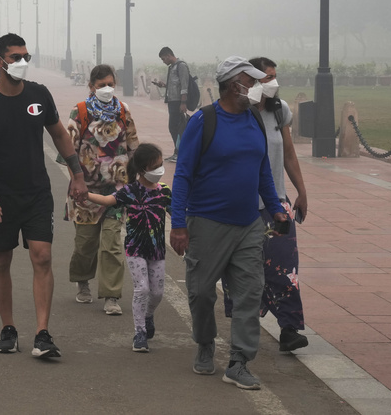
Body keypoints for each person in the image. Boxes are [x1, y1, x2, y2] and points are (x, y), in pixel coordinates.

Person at [0, 33, 88, 359]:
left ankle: (43, 334)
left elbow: (59, 133)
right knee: (1, 260)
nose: (21, 62)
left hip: (35, 192)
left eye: (25, 56)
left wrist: (77, 174)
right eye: (15, 57)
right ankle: (8, 329)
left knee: (42, 257)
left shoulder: (38, 95)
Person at [169, 55, 290, 390]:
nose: (255, 87)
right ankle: (205, 342)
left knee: (250, 292)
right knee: (202, 292)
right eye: (249, 81)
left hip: (249, 224)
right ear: (231, 85)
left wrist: (276, 206)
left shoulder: (255, 120)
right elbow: (182, 175)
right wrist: (178, 224)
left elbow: (262, 169)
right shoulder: (204, 121)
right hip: (206, 223)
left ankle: (239, 361)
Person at [221, 57, 310, 353]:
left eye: (274, 76)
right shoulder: (237, 113)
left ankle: (289, 329)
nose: (272, 82)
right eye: (265, 78)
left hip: (276, 203)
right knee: (242, 270)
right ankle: (243, 328)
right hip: (242, 205)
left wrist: (301, 190)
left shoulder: (279, 110)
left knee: (285, 266)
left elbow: (288, 154)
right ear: (248, 82)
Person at [65, 64, 140, 316]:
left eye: (110, 84)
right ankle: (83, 280)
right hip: (85, 191)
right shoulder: (81, 111)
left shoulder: (123, 111)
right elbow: (69, 151)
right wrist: (77, 181)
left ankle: (111, 295)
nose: (107, 89)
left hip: (116, 191)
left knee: (112, 245)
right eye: (101, 86)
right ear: (91, 86)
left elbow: (132, 146)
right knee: (85, 244)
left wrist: (137, 182)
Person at [84, 143, 170, 352]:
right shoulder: (130, 191)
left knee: (157, 292)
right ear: (141, 170)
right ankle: (139, 332)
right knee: (142, 289)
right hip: (135, 248)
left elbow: (178, 218)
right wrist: (84, 194)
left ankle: (148, 316)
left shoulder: (165, 191)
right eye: (155, 166)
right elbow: (106, 200)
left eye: (160, 164)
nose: (160, 169)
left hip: (157, 249)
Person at [152, 47, 191, 162]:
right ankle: (177, 151)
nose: (163, 61)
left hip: (178, 102)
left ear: (169, 55)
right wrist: (163, 85)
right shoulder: (173, 67)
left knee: (177, 127)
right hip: (172, 101)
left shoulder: (181, 66)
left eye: (164, 59)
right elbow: (175, 84)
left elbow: (184, 86)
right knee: (175, 127)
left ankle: (179, 152)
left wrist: (183, 102)